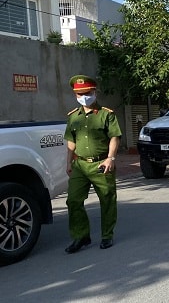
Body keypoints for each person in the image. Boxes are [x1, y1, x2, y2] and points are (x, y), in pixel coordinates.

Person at [64, 75, 122, 253]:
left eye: (87, 93)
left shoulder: (106, 114)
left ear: (94, 91)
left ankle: (107, 236)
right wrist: (68, 163)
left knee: (107, 200)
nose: (83, 97)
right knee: (73, 200)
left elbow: (114, 137)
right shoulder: (73, 117)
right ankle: (81, 236)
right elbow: (71, 143)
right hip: (80, 165)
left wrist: (110, 158)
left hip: (101, 164)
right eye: (79, 94)